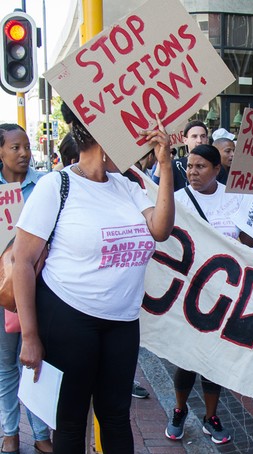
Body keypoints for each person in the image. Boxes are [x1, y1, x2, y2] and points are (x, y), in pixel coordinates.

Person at [14, 103, 174, 454]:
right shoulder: (57, 186)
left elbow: (160, 229)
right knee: (70, 421)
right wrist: (30, 336)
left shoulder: (126, 185)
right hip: (68, 319)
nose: (138, 144)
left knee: (116, 416)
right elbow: (22, 261)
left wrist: (165, 164)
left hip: (122, 322)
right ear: (106, 141)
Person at [167, 144, 238, 444]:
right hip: (188, 294)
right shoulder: (175, 200)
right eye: (189, 166)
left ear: (217, 169)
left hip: (223, 294)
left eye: (200, 167)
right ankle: (179, 410)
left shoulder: (233, 198)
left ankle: (211, 416)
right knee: (187, 357)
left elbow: (245, 244)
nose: (193, 173)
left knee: (215, 360)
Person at [0, 124, 53, 454]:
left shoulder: (45, 186)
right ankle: (9, 431)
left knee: (37, 363)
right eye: (15, 148)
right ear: (1, 152)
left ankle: (41, 432)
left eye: (27, 147)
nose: (23, 153)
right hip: (2, 293)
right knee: (6, 364)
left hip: (39, 288)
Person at [152, 120, 209, 190]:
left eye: (203, 136)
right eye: (194, 136)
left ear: (207, 139)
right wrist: (162, 161)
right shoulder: (175, 165)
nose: (199, 140)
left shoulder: (216, 166)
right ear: (185, 140)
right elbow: (155, 188)